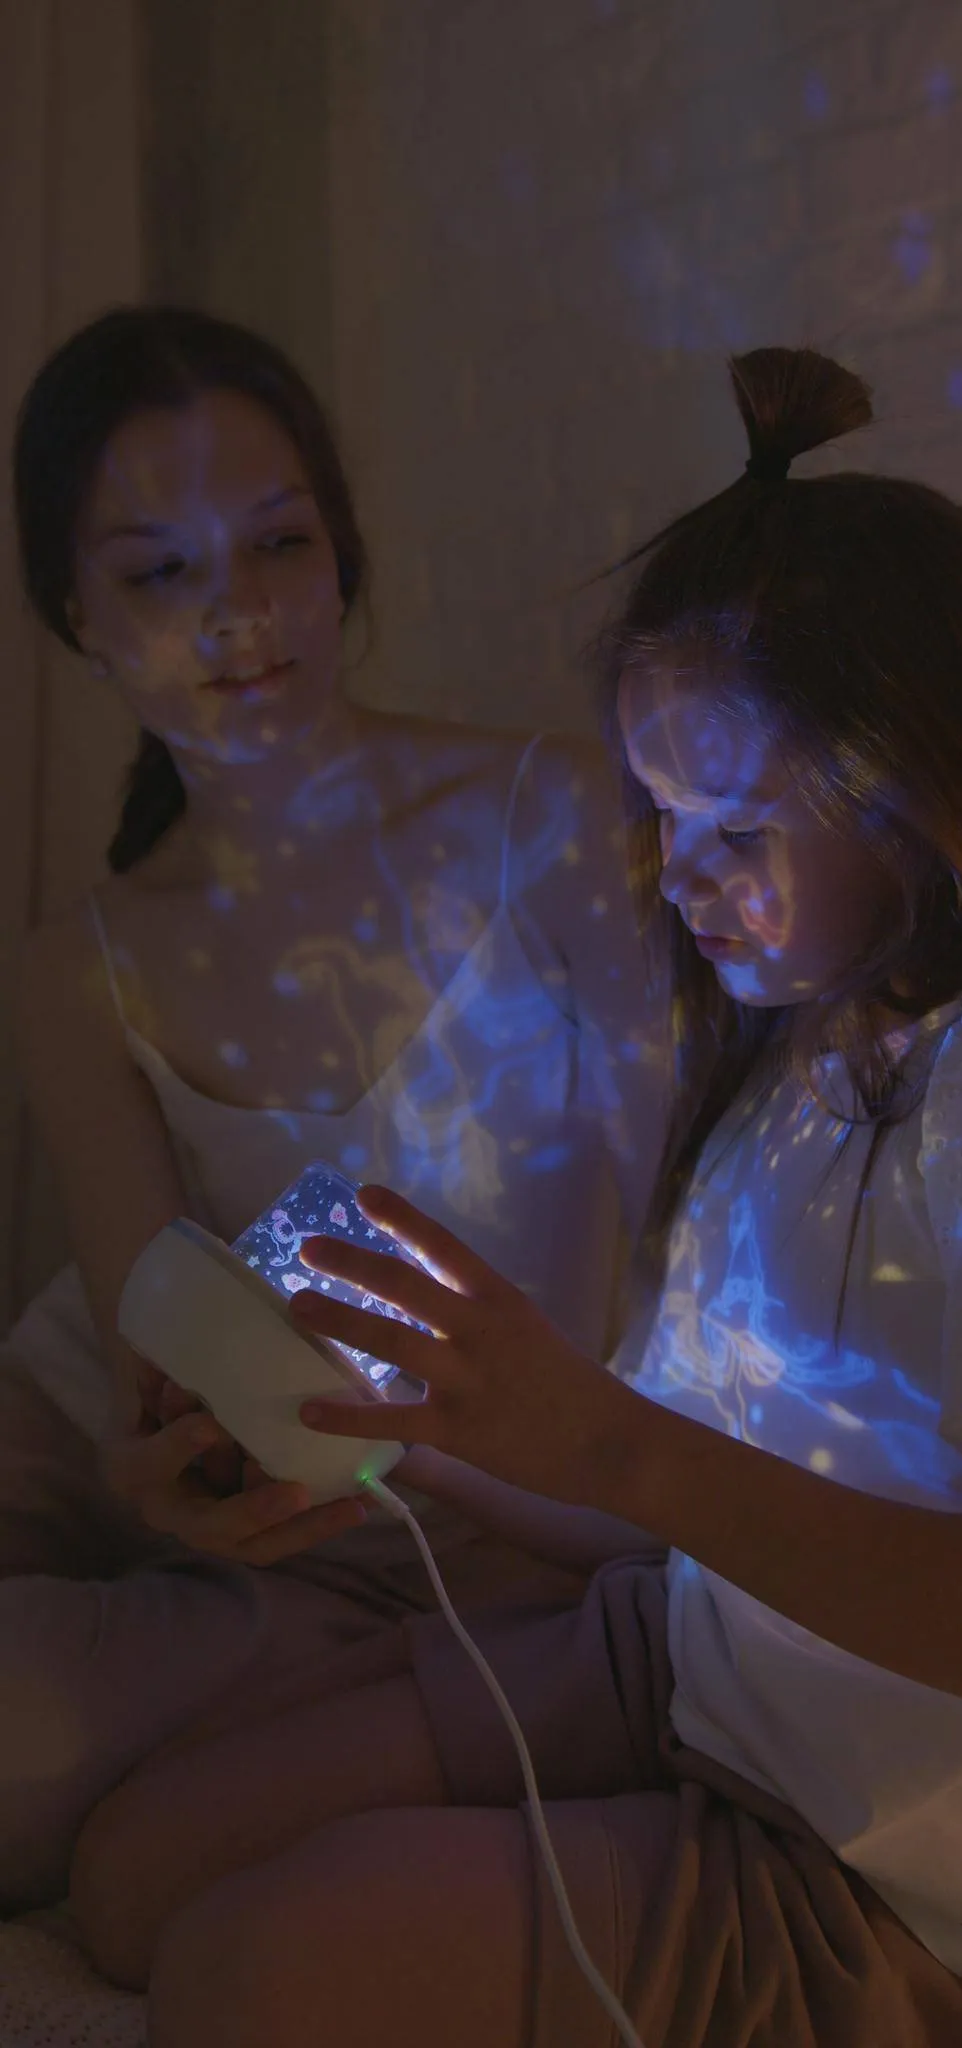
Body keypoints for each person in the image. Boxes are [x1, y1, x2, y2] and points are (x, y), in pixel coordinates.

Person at [68, 345, 962, 2048]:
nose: (681, 880)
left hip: (905, 1872)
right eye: (660, 818)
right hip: (699, 1659)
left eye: (733, 825)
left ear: (920, 786)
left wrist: (603, 1442)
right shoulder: (789, 1062)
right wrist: (407, 1420)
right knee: (129, 1880)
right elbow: (658, 1500)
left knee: (240, 1975)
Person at [0, 304, 672, 1909]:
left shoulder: (553, 819)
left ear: (342, 553)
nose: (236, 613)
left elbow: (711, 1234)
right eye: (162, 571)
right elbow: (159, 1376)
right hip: (294, 1572)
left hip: (562, 1540)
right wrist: (171, 1481)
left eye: (278, 543)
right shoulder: (80, 969)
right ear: (78, 615)